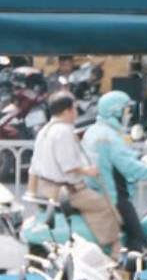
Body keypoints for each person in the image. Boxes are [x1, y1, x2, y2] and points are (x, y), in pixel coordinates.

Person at [79, 88, 147, 254]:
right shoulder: (110, 137)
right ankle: (133, 270)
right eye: (126, 110)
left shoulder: (94, 131)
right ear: (116, 111)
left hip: (97, 189)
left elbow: (118, 158)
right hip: (113, 195)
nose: (128, 115)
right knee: (138, 237)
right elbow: (130, 168)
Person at [27, 89, 101, 235]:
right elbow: (69, 166)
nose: (76, 113)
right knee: (105, 206)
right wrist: (89, 171)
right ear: (67, 112)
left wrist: (31, 192)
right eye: (74, 109)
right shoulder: (63, 131)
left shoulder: (45, 130)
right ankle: (113, 247)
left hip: (46, 189)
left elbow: (33, 166)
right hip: (64, 192)